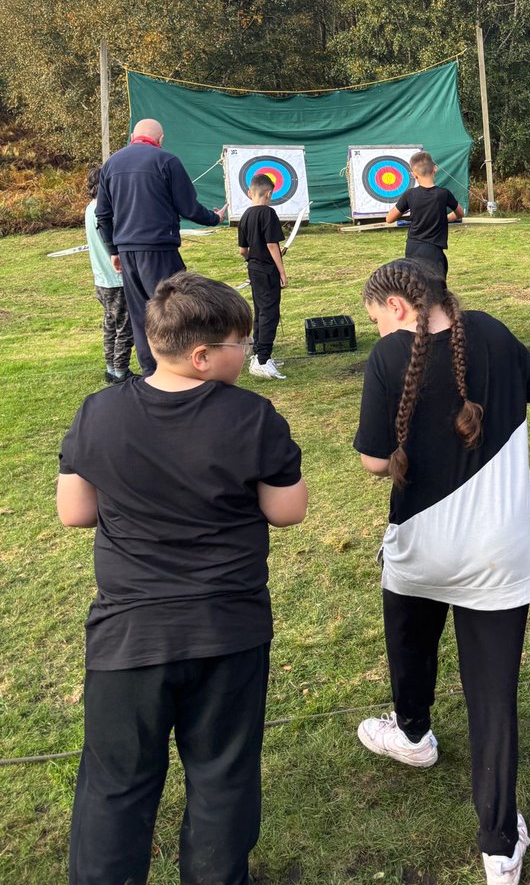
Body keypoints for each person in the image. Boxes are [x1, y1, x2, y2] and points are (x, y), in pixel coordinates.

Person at [353, 258, 530, 885]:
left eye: (376, 320)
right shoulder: (493, 332)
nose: (378, 332)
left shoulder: (388, 356)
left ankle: (414, 735)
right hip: (497, 558)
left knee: (410, 648)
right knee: (493, 697)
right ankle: (500, 847)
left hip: (419, 551)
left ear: (397, 307)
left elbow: (373, 461)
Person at [57, 272, 308, 885]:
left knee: (116, 784)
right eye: (240, 345)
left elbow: (75, 512)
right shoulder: (252, 416)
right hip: (228, 632)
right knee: (222, 776)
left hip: (128, 638)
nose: (245, 354)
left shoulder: (97, 413)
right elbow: (287, 510)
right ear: (202, 356)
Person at [95, 118, 227, 376]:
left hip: (127, 251)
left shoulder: (111, 163)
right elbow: (188, 207)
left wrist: (113, 250)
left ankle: (150, 371)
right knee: (174, 307)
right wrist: (215, 218)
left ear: (132, 136)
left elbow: (103, 215)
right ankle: (180, 366)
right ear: (160, 139)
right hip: (159, 248)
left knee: (140, 313)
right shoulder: (166, 161)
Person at [85, 166, 134, 383]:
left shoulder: (90, 208)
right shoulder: (105, 211)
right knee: (125, 327)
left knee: (110, 324)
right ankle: (121, 371)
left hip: (102, 279)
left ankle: (111, 368)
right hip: (116, 279)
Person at [238, 173, 288, 381]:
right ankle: (262, 360)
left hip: (254, 268)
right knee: (269, 313)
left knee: (260, 311)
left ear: (251, 192)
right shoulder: (268, 213)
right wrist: (282, 271)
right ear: (268, 193)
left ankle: (259, 354)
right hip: (267, 270)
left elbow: (243, 250)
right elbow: (271, 244)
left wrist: (253, 258)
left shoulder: (245, 215)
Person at [385, 151, 464, 279]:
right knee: (436, 285)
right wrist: (446, 218)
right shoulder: (444, 194)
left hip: (412, 248)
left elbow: (389, 218)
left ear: (413, 174)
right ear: (435, 169)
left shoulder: (409, 194)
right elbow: (460, 213)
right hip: (433, 251)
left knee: (415, 284)